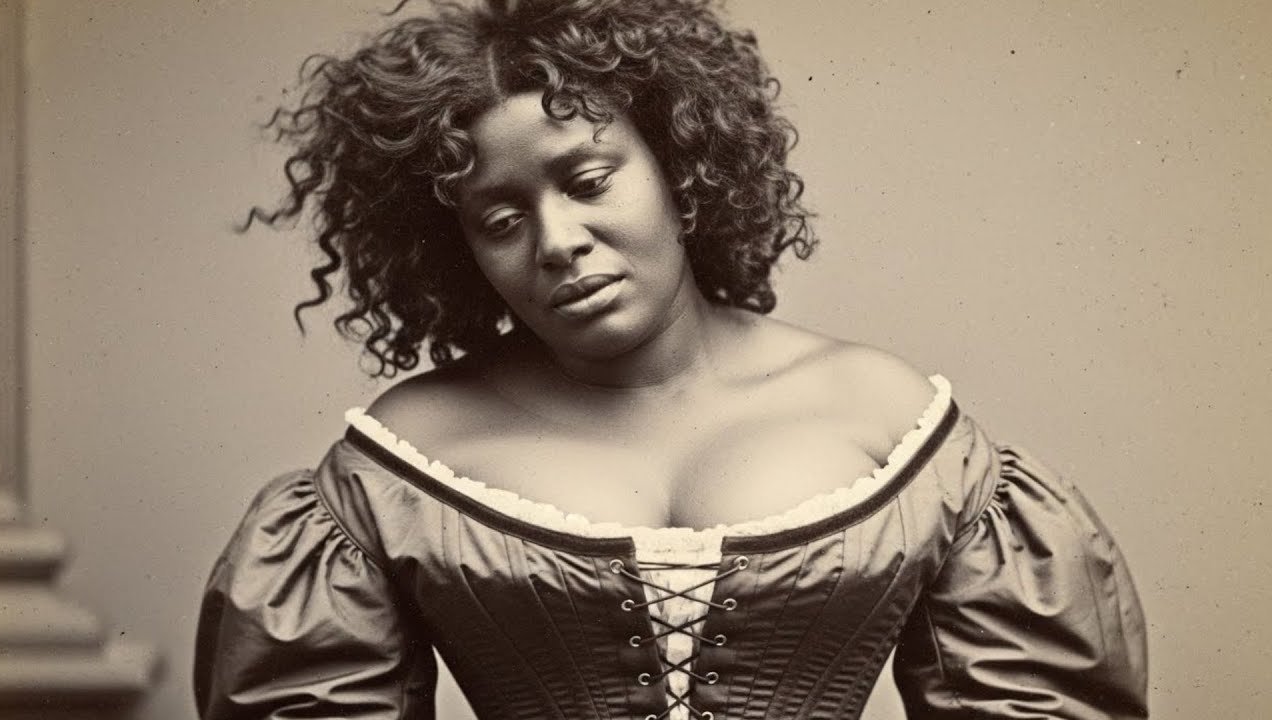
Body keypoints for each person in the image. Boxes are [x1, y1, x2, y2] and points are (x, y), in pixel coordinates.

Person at [194, 1, 1149, 718]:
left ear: (681, 173)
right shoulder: (399, 459)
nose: (558, 242)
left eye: (587, 180)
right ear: (459, 251)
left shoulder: (889, 416)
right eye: (501, 219)